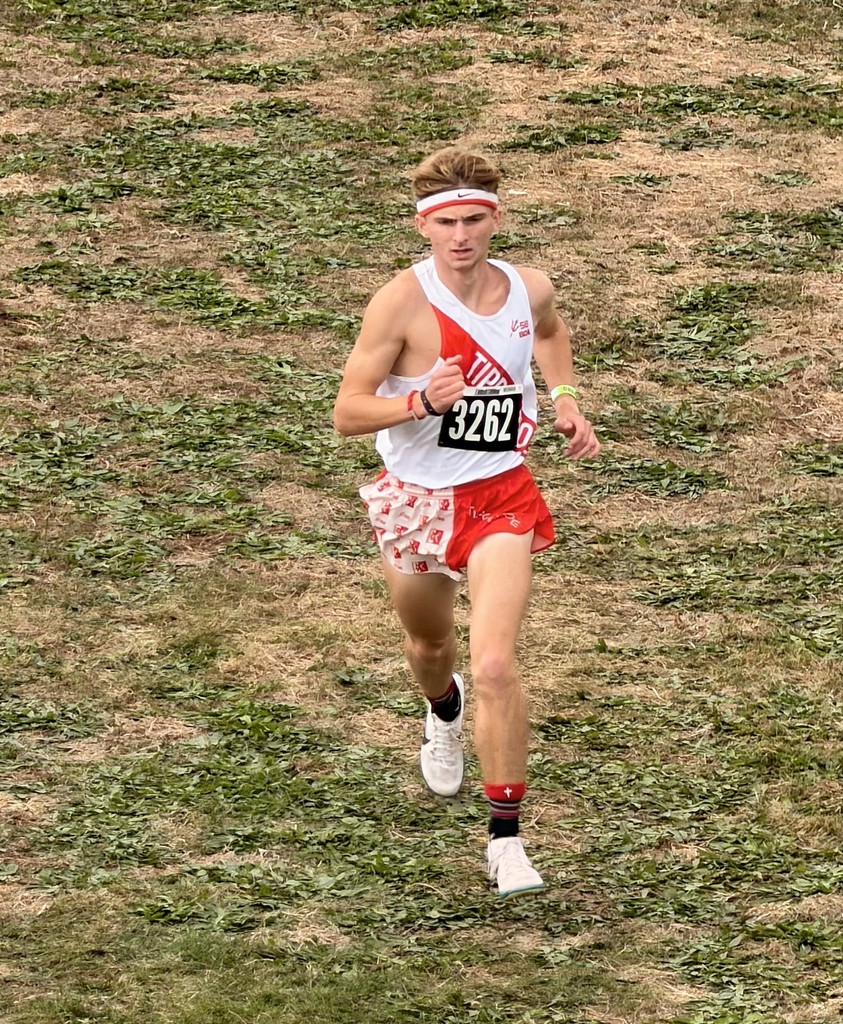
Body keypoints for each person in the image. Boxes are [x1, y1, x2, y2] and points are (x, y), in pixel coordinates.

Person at [333, 145, 601, 898]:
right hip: (417, 501)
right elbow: (347, 413)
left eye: (474, 220)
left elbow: (548, 333)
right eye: (446, 222)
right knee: (429, 646)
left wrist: (567, 397)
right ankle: (440, 712)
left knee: (495, 665)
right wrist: (419, 402)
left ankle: (506, 842)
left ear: (496, 219)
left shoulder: (529, 286)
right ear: (425, 227)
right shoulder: (401, 303)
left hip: (499, 495)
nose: (461, 236)